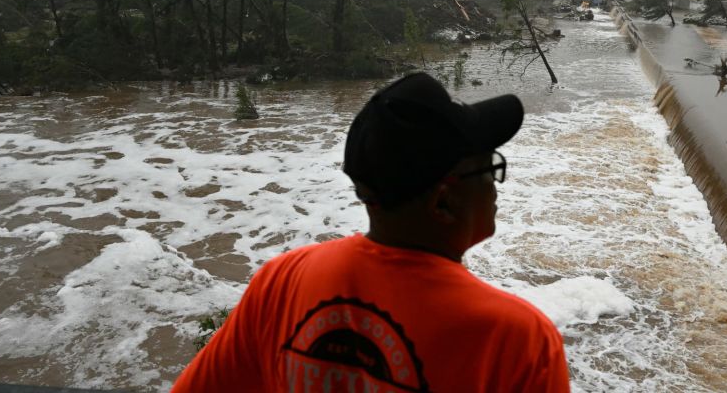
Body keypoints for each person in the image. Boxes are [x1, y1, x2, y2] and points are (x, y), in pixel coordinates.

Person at [172, 73, 570, 392]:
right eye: (490, 169)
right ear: (443, 203)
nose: (495, 186)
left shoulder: (284, 280)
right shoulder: (516, 340)